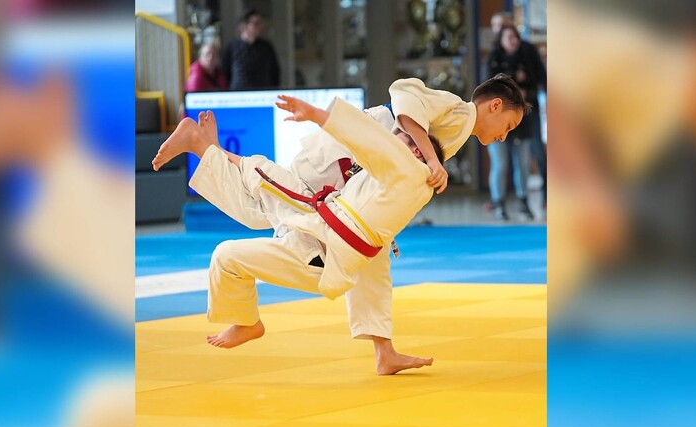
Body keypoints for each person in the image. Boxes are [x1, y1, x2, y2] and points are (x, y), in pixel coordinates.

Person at [152, 84, 529, 373]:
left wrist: (422, 169)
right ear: (494, 105)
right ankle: (207, 149)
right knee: (269, 207)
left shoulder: (456, 129)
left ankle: (385, 352)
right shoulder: (458, 112)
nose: (503, 135)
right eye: (508, 125)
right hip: (345, 160)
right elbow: (403, 95)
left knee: (373, 252)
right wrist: (431, 159)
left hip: (360, 174)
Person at [487, 25, 546, 221]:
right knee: (500, 163)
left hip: (522, 120)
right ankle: (499, 202)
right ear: (501, 40)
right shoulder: (494, 60)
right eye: (509, 37)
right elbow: (487, 89)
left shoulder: (527, 57)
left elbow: (537, 82)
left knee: (522, 162)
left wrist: (524, 92)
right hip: (496, 121)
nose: (513, 41)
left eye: (515, 37)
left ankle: (523, 201)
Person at [222, 9, 280, 90]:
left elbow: (275, 72)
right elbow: (225, 72)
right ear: (245, 26)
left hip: (263, 93)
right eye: (256, 24)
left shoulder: (266, 47)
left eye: (260, 23)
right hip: (239, 94)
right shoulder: (232, 47)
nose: (259, 27)